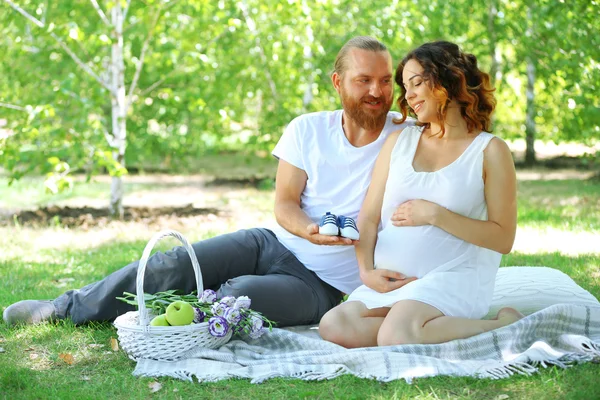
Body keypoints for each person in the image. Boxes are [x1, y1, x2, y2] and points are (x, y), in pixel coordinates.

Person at [3, 36, 414, 328]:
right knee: (176, 263)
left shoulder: (408, 136)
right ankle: (63, 308)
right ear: (338, 82)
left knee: (236, 297)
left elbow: (458, 140)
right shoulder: (307, 129)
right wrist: (308, 229)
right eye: (364, 80)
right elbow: (285, 203)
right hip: (269, 242)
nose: (377, 91)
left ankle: (152, 318)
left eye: (384, 81)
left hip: (319, 285)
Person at [319, 41, 523, 348]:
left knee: (396, 335)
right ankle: (421, 326)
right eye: (405, 86)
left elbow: (502, 238)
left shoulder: (490, 151)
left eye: (417, 83)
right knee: (334, 325)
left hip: (451, 278)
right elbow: (370, 217)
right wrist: (367, 271)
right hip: (395, 281)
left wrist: (435, 215)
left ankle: (499, 325)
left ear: (450, 81)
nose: (408, 95)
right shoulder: (399, 141)